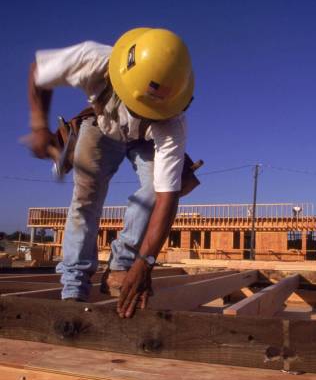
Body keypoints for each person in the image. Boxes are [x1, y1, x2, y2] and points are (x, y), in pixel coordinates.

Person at [27, 28, 194, 318]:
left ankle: (121, 265)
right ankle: (74, 287)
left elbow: (167, 197)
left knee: (159, 187)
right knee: (85, 199)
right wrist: (39, 125)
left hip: (144, 140)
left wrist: (145, 262)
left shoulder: (172, 122)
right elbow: (38, 70)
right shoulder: (93, 60)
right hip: (101, 126)